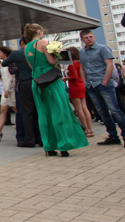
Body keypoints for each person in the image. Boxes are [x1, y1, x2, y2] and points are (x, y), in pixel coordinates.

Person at [24, 23, 88, 156]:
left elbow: (32, 67)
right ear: (40, 31)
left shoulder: (26, 48)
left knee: (44, 113)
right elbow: (52, 62)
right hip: (50, 79)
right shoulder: (43, 42)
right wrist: (59, 55)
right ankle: (63, 145)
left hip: (37, 80)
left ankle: (49, 146)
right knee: (59, 111)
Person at [79, 29, 125, 147]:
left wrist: (105, 81)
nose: (89, 39)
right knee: (102, 112)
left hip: (103, 84)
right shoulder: (82, 52)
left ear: (94, 37)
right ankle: (113, 136)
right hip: (91, 85)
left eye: (91, 37)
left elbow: (109, 65)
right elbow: (82, 67)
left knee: (115, 110)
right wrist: (85, 82)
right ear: (82, 40)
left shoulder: (102, 48)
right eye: (86, 38)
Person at [65, 47, 94, 138]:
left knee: (79, 109)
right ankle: (91, 129)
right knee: (85, 107)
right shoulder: (80, 63)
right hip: (81, 85)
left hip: (74, 86)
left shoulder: (72, 64)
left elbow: (74, 76)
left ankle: (85, 129)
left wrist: (66, 78)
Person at [0, 47, 17, 140]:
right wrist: (0, 77)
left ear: (5, 53)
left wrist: (7, 89)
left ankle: (20, 126)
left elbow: (11, 77)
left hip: (10, 89)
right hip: (5, 89)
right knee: (3, 109)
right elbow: (6, 78)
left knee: (16, 109)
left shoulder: (9, 63)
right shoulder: (2, 64)